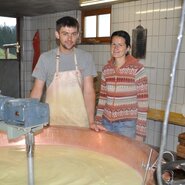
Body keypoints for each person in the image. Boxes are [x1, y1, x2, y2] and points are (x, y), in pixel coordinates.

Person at [30, 16, 105, 131]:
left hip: (80, 123)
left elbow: (89, 92)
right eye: (65, 34)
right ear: (57, 34)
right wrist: (31, 118)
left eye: (73, 34)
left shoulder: (86, 58)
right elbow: (37, 91)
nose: (70, 38)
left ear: (78, 35)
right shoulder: (45, 58)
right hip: (53, 123)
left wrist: (91, 121)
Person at [95, 30, 148, 141]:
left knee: (125, 156)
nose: (116, 48)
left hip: (127, 125)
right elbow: (103, 98)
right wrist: (97, 121)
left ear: (128, 48)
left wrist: (140, 133)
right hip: (106, 123)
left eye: (120, 45)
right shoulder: (106, 69)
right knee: (106, 155)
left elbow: (143, 103)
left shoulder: (137, 69)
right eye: (113, 44)